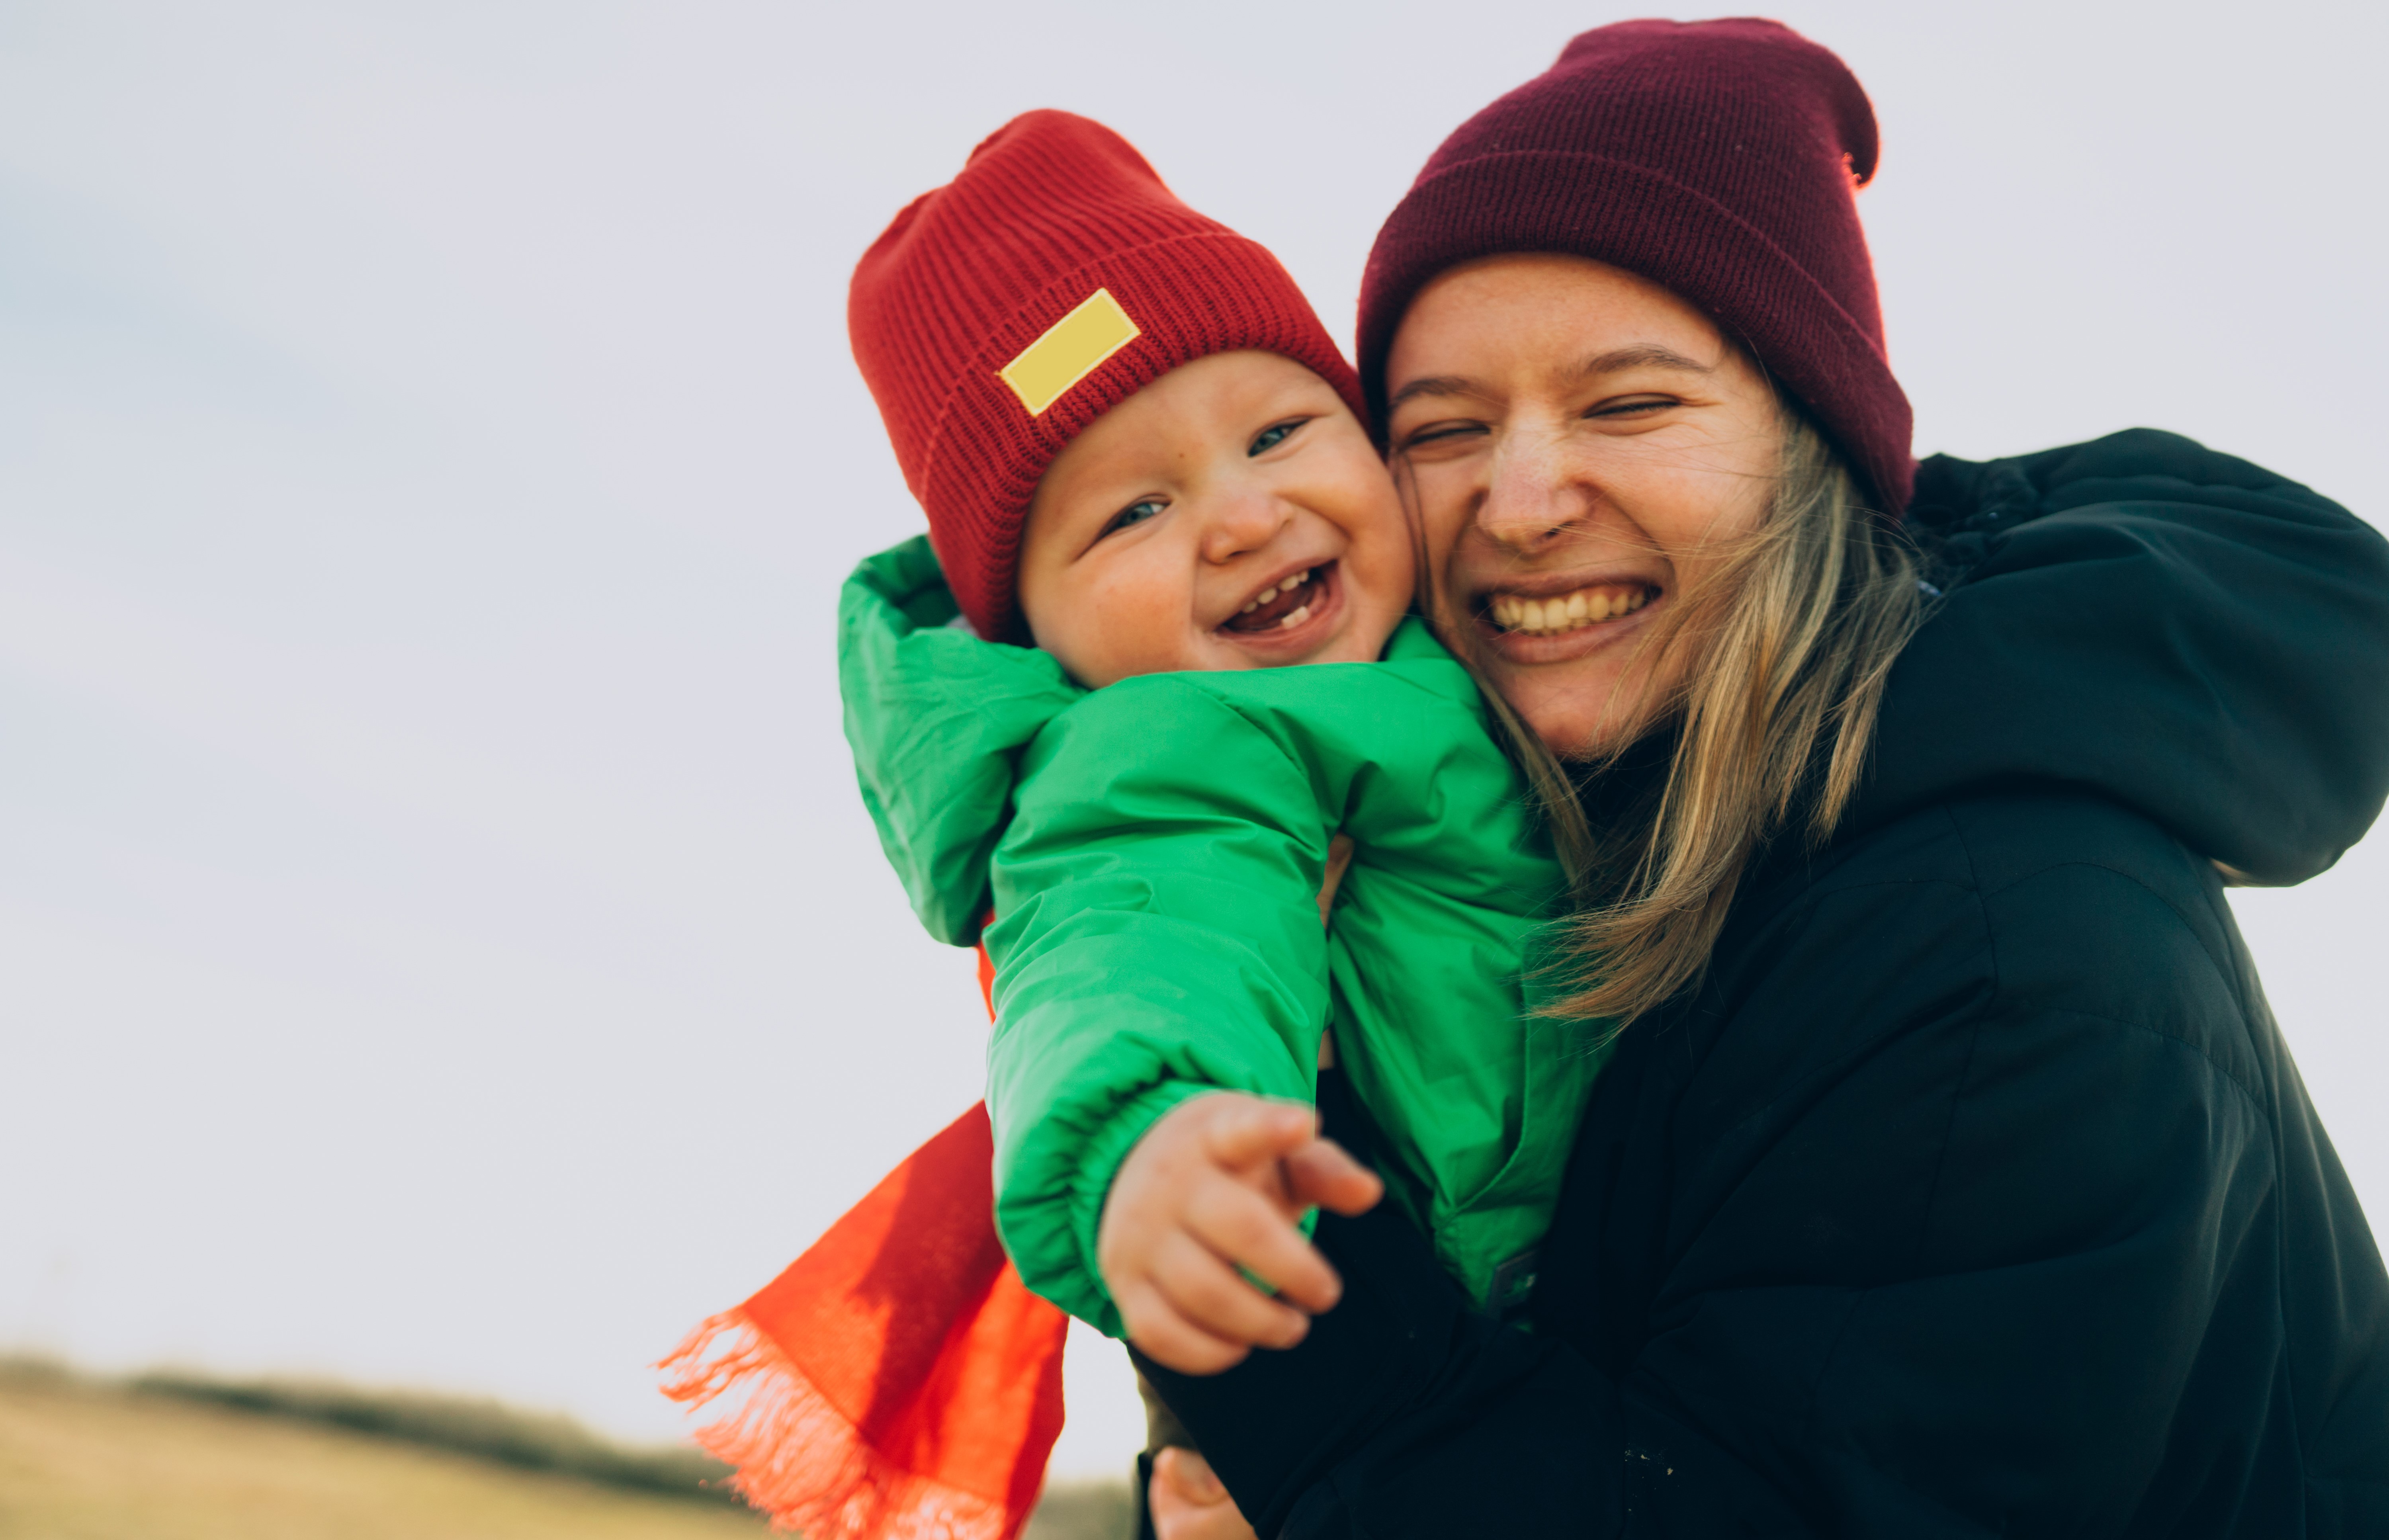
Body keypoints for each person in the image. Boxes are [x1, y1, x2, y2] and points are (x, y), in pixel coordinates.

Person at [1138, 18, 2389, 1538]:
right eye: (1443, 428)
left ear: (1815, 449)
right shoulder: (1533, 849)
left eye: (1630, 403)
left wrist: (1252, 1252)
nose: (1518, 504)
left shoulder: (2006, 958)